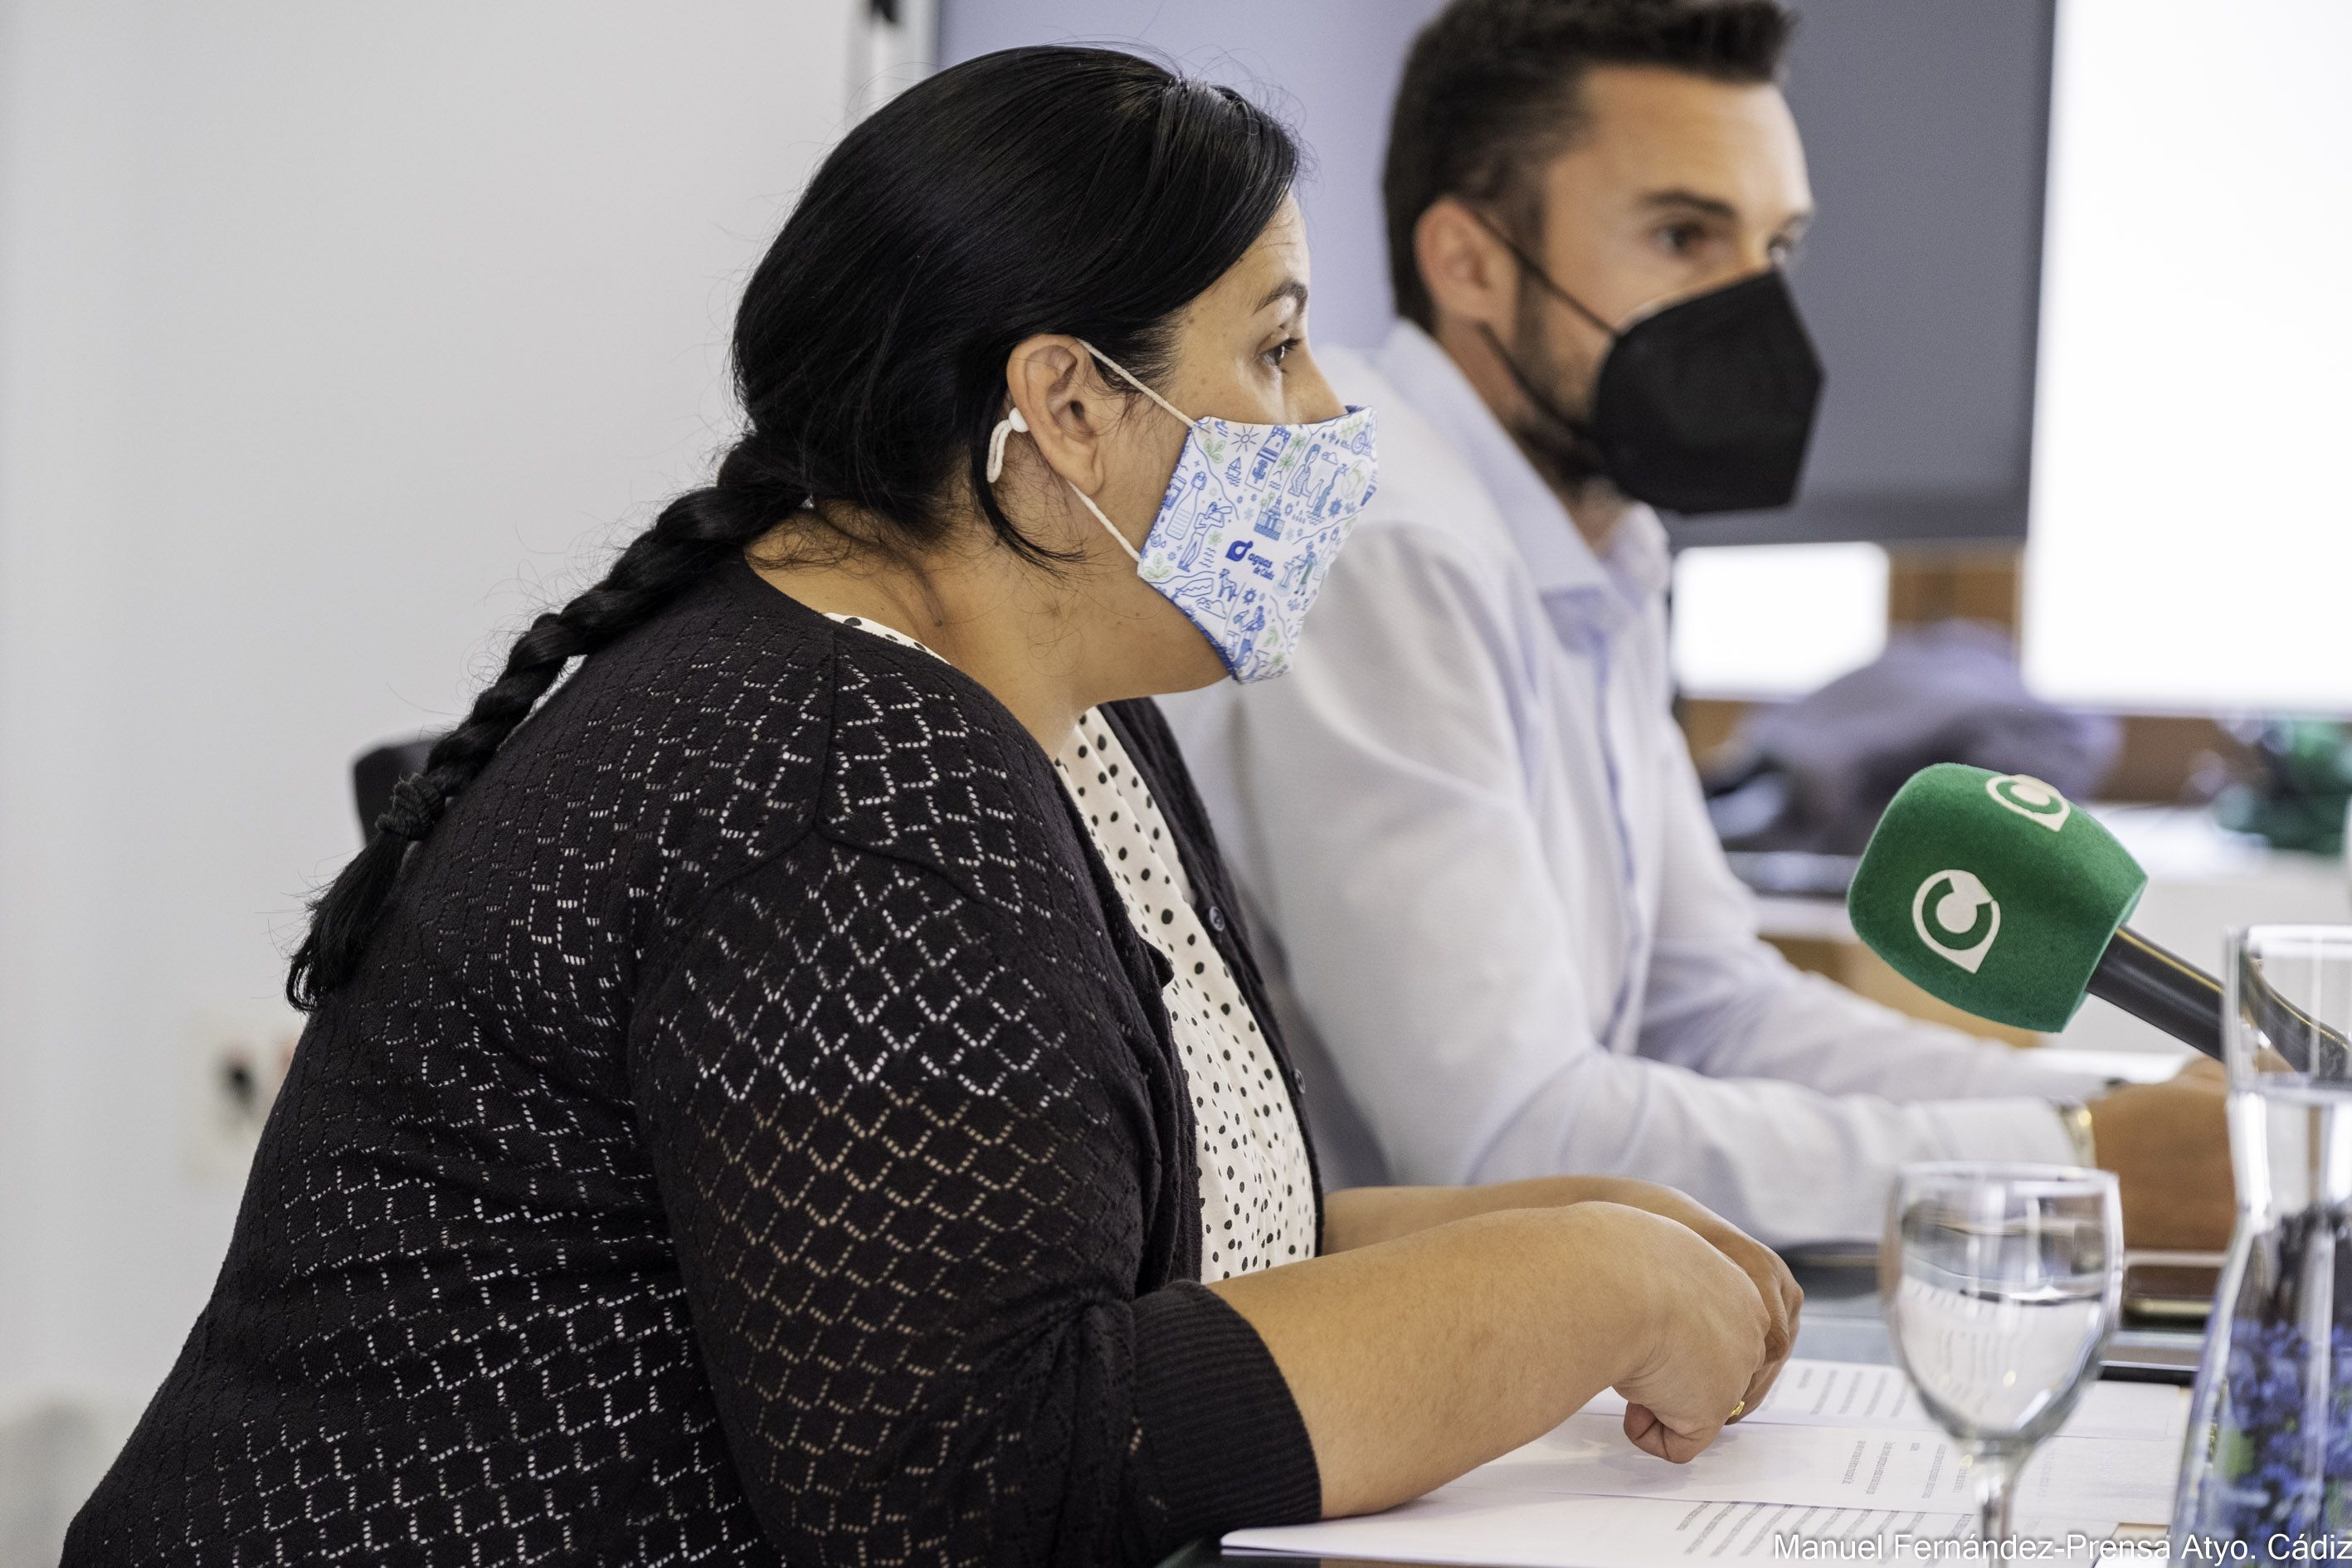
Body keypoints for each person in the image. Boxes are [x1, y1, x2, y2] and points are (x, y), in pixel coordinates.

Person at [66, 47, 1803, 1568]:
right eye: (1275, 347)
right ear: (1067, 406)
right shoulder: (833, 785)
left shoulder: (1056, 708)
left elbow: (1134, 1245)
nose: (1329, 410)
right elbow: (978, 1486)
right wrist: (1585, 1290)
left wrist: (1571, 1237)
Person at [1165, 0, 2233, 1252]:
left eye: (1775, 248)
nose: (1751, 305)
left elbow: (1709, 1009)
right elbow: (1510, 1141)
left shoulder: (1596, 540)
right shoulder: (1383, 531)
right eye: (1684, 235)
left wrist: (2122, 1107)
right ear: (1468, 264)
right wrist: (2074, 1161)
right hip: (1353, 1328)